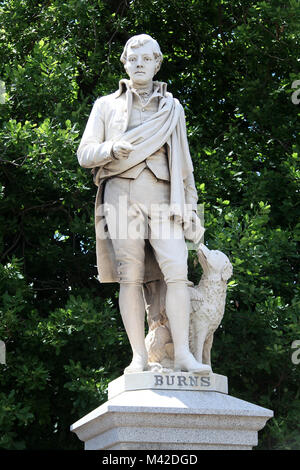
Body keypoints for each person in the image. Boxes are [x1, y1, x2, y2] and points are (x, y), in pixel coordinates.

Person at [77, 34, 210, 374]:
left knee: (178, 271)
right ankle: (138, 356)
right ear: (125, 63)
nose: (139, 64)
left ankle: (182, 353)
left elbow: (185, 166)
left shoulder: (173, 108)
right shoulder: (106, 106)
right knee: (130, 277)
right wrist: (110, 149)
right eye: (133, 59)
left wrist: (192, 209)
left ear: (156, 64)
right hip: (121, 195)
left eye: (146, 59)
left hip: (165, 197)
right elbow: (85, 153)